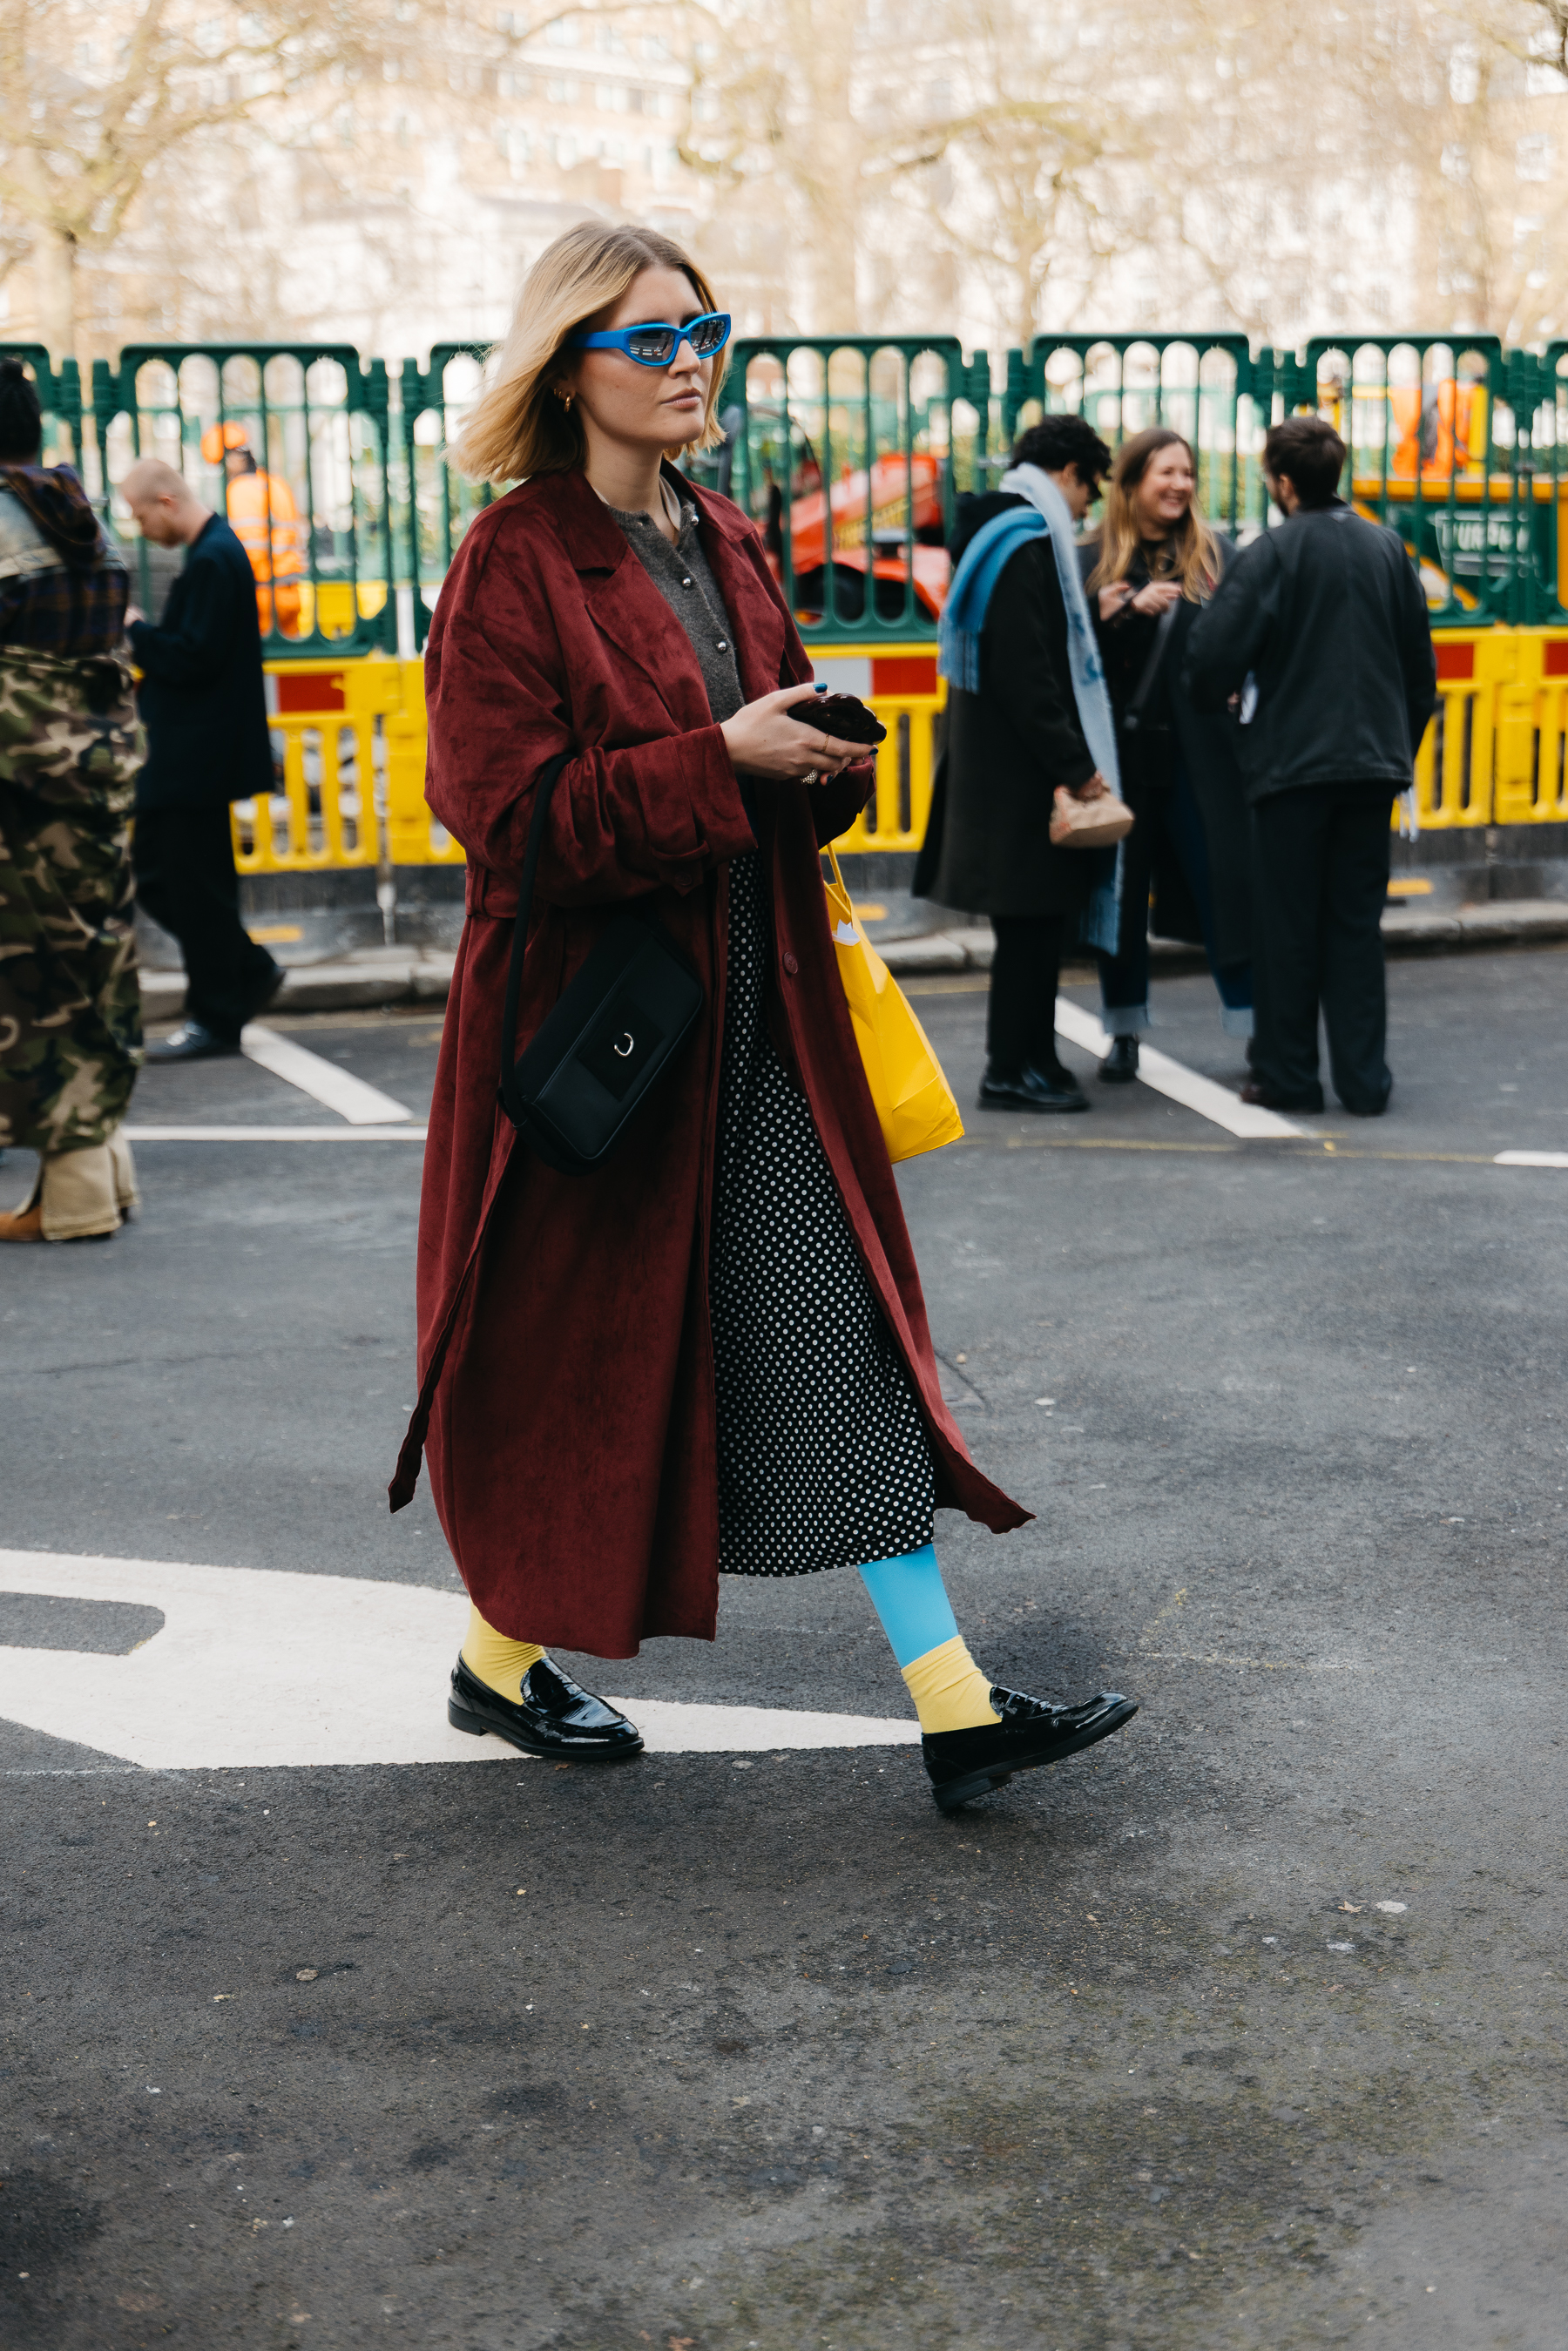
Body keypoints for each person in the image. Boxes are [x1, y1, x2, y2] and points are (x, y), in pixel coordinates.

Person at [388, 220, 1136, 1813]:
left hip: (761, 1007)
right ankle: (498, 1656)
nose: (688, 361)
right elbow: (502, 821)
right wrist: (714, 763)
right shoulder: (514, 558)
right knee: (603, 1375)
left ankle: (953, 1706)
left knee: (833, 1326)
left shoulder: (724, 535)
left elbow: (767, 734)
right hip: (601, 1040)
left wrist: (816, 758)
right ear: (566, 364)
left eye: (703, 329)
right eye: (650, 337)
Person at [1185, 415, 1436, 1116]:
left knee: (1286, 926)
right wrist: (1395, 751)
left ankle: (1288, 1075)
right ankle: (1365, 1080)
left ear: (1284, 482)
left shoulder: (1273, 552)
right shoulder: (1388, 549)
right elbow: (1421, 675)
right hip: (1373, 768)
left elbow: (1210, 659)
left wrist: (1232, 714)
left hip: (1292, 767)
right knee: (1355, 923)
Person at [913, 414, 1121, 1115]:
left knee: (1029, 935)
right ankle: (1011, 1069)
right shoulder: (1027, 540)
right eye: (1090, 487)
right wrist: (1078, 765)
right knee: (1031, 937)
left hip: (999, 776)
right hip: (1022, 783)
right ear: (1068, 473)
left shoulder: (997, 531)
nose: (1088, 504)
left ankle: (1035, 1060)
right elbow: (1029, 672)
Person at [0, 358, 143, 1245]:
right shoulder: (89, 522)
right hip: (94, 772)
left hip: (16, 783)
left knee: (32, 979)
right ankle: (102, 1169)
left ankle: (78, 1189)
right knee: (92, 964)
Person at [1083, 429, 1253, 1082]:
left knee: (1224, 887)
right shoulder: (1093, 559)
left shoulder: (1217, 557)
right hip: (1120, 756)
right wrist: (1119, 612)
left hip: (1202, 755)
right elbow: (1070, 657)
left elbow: (1249, 640)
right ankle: (1122, 1031)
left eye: (1188, 473)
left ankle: (1252, 1025)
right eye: (1166, 473)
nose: (1181, 485)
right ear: (1130, 484)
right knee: (1119, 900)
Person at [121, 457, 284, 1061]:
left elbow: (193, 658)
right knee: (172, 880)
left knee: (192, 886)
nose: (140, 528)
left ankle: (218, 1013)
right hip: (191, 757)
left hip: (196, 758)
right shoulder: (214, 553)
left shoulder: (214, 558)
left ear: (166, 500)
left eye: (139, 514)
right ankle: (245, 969)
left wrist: (136, 631)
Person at [200, 422, 308, 639]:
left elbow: (250, 553)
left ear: (234, 457)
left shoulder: (240, 491)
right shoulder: (276, 483)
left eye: (220, 464)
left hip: (261, 597)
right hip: (289, 593)